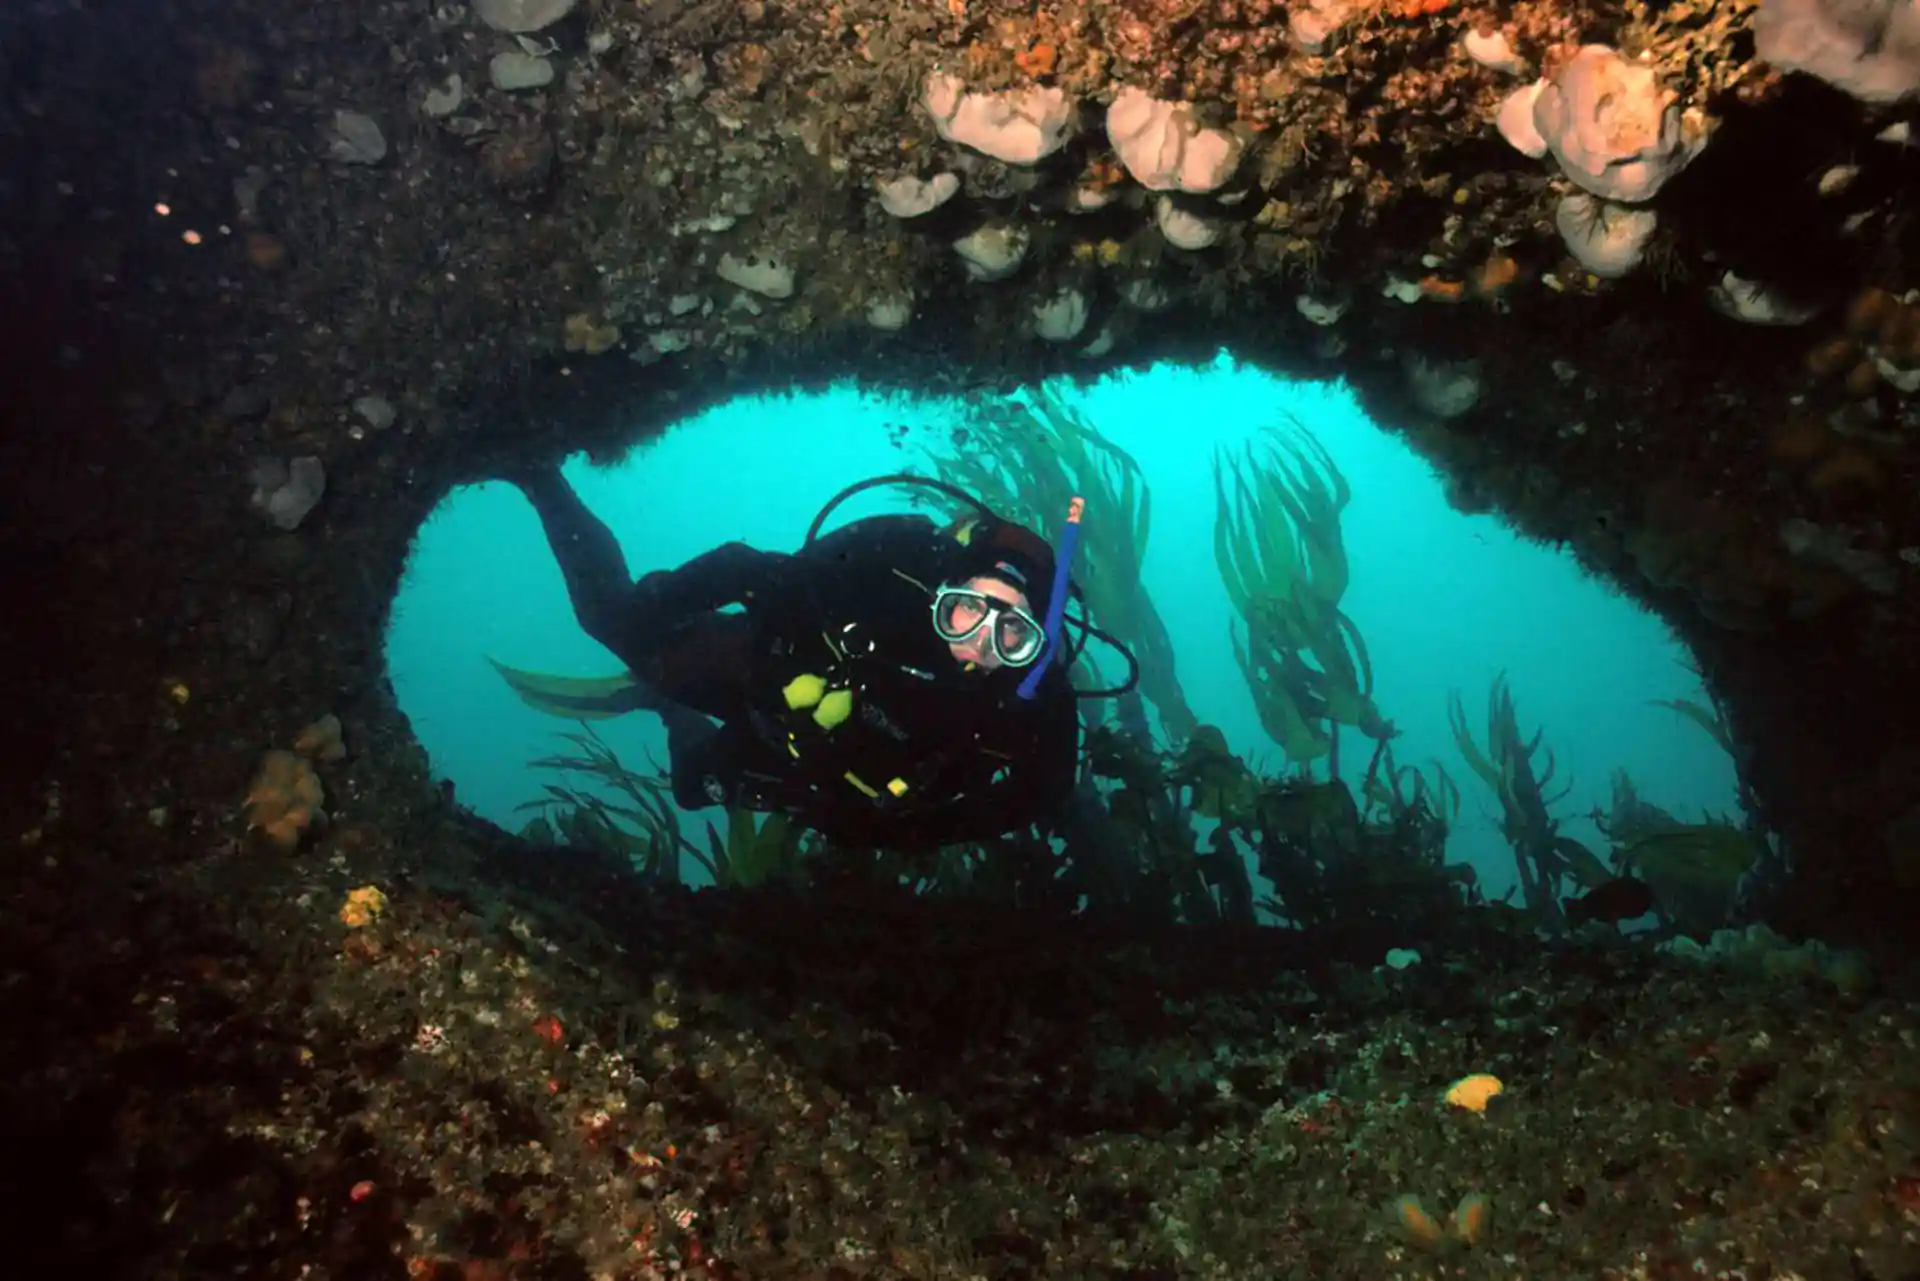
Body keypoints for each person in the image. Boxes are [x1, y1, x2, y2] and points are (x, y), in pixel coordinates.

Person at [503, 466, 1095, 852]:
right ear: (942, 592)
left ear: (1036, 646)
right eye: (966, 610)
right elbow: (743, 569)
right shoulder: (891, 575)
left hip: (821, 776)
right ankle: (537, 475)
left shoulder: (1034, 699)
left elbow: (1040, 792)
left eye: (1012, 633)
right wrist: (655, 612)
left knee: (690, 788)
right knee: (609, 619)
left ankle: (668, 710)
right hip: (757, 675)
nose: (979, 644)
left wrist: (908, 834)